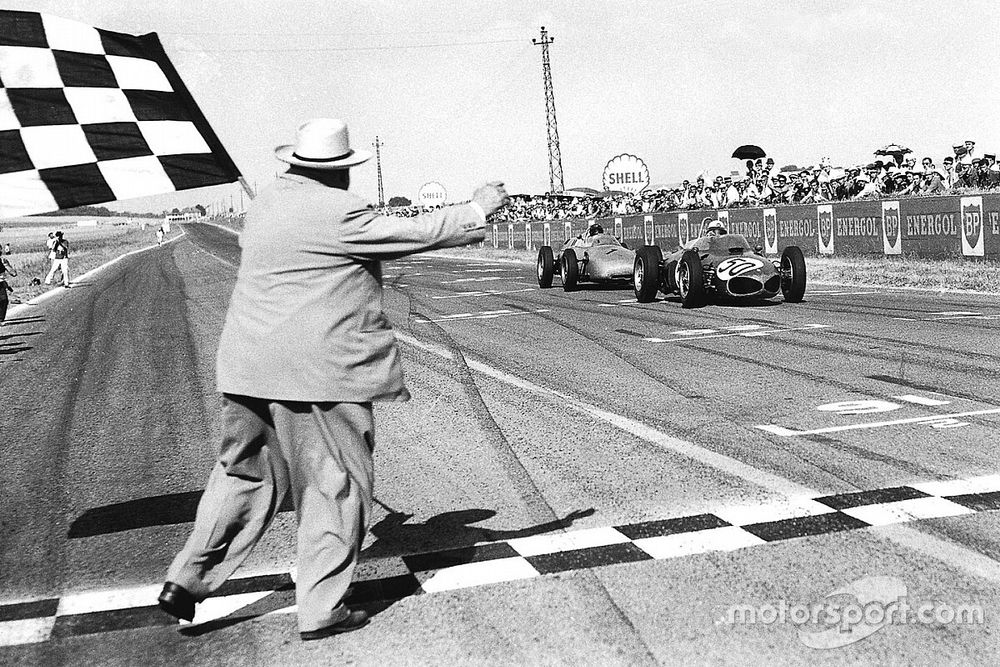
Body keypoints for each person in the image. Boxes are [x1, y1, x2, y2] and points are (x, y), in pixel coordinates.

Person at [157, 118, 508, 641]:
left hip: (246, 367)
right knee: (334, 486)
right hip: (318, 376)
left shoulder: (266, 204)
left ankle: (186, 579)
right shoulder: (339, 212)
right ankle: (321, 608)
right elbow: (411, 232)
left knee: (242, 476)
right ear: (339, 171)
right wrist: (476, 208)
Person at [0, 255, 16, 325]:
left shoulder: (2, 260)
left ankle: (0, 319)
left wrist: (6, 265)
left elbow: (13, 273)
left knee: (4, 301)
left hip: (1, 283)